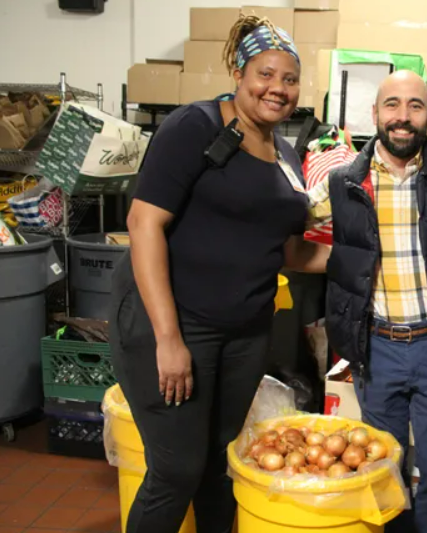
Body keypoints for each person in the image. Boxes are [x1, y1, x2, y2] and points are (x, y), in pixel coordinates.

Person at [109, 16, 330, 533]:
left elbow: (286, 251)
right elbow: (143, 223)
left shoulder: (288, 154)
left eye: (290, 79)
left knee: (218, 465)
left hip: (244, 332)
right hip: (173, 320)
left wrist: (361, 261)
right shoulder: (196, 126)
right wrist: (169, 339)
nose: (278, 88)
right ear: (238, 70)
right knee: (177, 469)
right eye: (265, 74)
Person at [307, 70, 427, 533]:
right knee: (382, 469)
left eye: (415, 106)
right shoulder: (344, 182)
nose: (402, 117)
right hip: (376, 349)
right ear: (375, 114)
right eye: (392, 105)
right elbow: (290, 223)